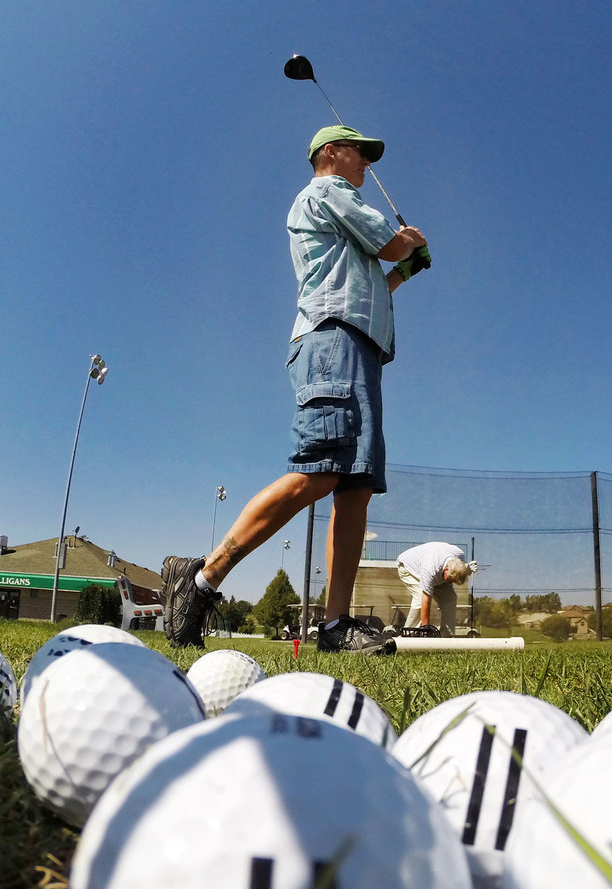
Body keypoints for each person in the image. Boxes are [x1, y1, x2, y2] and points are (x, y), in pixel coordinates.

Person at [162, 124, 430, 652]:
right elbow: (391, 241)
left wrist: (404, 273)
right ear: (331, 153)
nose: (366, 166)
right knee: (322, 470)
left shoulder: (339, 209)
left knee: (355, 487)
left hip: (359, 345)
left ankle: (334, 626)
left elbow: (372, 277)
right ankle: (199, 580)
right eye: (360, 154)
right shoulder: (330, 192)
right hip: (333, 341)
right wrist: (411, 244)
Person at [396, 541, 478, 637]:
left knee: (450, 598)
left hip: (436, 568)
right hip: (408, 567)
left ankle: (446, 637)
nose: (450, 583)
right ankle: (408, 637)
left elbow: (456, 572)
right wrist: (426, 628)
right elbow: (425, 602)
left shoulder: (459, 557)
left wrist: (466, 571)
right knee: (419, 599)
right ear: (446, 569)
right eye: (449, 579)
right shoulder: (430, 571)